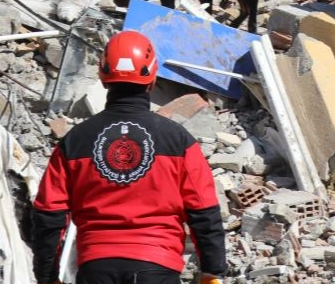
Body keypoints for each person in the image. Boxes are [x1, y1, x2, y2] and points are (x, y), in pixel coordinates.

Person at [32, 30, 226, 284]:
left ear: (103, 78)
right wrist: (212, 271)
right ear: (152, 79)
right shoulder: (179, 141)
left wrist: (47, 276)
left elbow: (50, 214)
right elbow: (203, 210)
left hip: (96, 268)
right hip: (158, 267)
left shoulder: (75, 141)